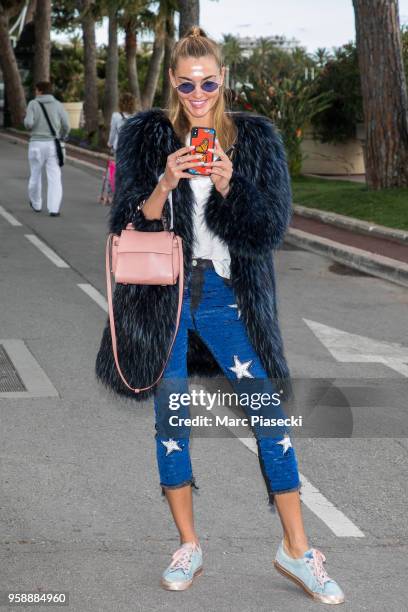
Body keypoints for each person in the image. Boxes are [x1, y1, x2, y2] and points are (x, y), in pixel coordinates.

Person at [95, 27, 345, 604]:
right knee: (172, 419)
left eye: (208, 81)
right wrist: (165, 182)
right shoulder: (148, 135)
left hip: (229, 297)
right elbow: (126, 227)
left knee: (271, 420)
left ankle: (298, 551)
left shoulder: (254, 138)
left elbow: (269, 231)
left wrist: (232, 186)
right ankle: (188, 545)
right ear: (174, 84)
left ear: (223, 79)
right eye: (186, 84)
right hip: (168, 298)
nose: (198, 92)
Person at [24, 81, 70, 217]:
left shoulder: (33, 104)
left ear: (39, 91)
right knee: (55, 176)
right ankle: (54, 209)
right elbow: (66, 125)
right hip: (53, 145)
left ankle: (36, 203)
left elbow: (28, 123)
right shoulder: (58, 105)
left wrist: (28, 121)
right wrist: (61, 135)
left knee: (35, 174)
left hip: (36, 144)